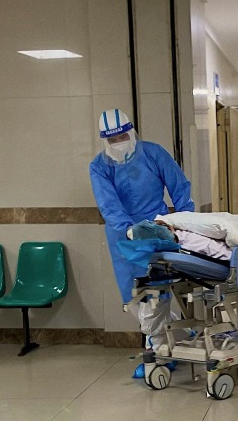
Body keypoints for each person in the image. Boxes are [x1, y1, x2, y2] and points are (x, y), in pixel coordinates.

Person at [89, 109, 194, 374]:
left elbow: (179, 186)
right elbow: (108, 203)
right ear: (104, 140)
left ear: (132, 130)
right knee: (134, 298)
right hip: (123, 238)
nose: (120, 142)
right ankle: (167, 342)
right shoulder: (99, 167)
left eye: (123, 135)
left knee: (161, 291)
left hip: (158, 232)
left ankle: (161, 348)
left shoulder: (152, 153)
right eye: (113, 140)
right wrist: (129, 230)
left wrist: (185, 222)